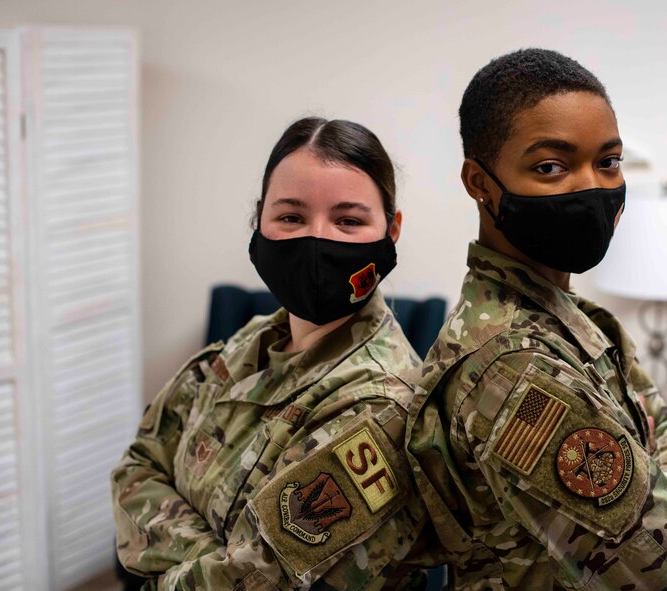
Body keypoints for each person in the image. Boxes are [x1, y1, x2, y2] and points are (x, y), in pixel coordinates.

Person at [406, 48, 667, 590]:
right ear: (480, 182)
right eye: (551, 167)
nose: (590, 186)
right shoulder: (515, 369)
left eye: (607, 162)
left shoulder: (577, 320)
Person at [112, 117, 431, 590]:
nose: (318, 239)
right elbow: (138, 467)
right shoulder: (251, 339)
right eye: (291, 217)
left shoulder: (381, 406)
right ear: (259, 221)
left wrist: (164, 560)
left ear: (392, 230)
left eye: (348, 220)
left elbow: (256, 581)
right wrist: (212, 558)